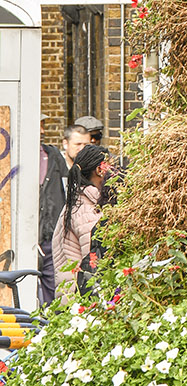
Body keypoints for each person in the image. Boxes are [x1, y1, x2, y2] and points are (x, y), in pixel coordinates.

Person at [52, 143, 110, 295]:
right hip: (78, 299)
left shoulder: (77, 204)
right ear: (100, 169)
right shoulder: (86, 211)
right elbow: (94, 261)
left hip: (69, 294)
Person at [38, 117, 69, 305]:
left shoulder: (53, 155)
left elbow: (65, 190)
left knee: (54, 291)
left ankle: (49, 329)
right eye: (38, 125)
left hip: (50, 238)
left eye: (42, 126)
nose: (42, 131)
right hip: (26, 239)